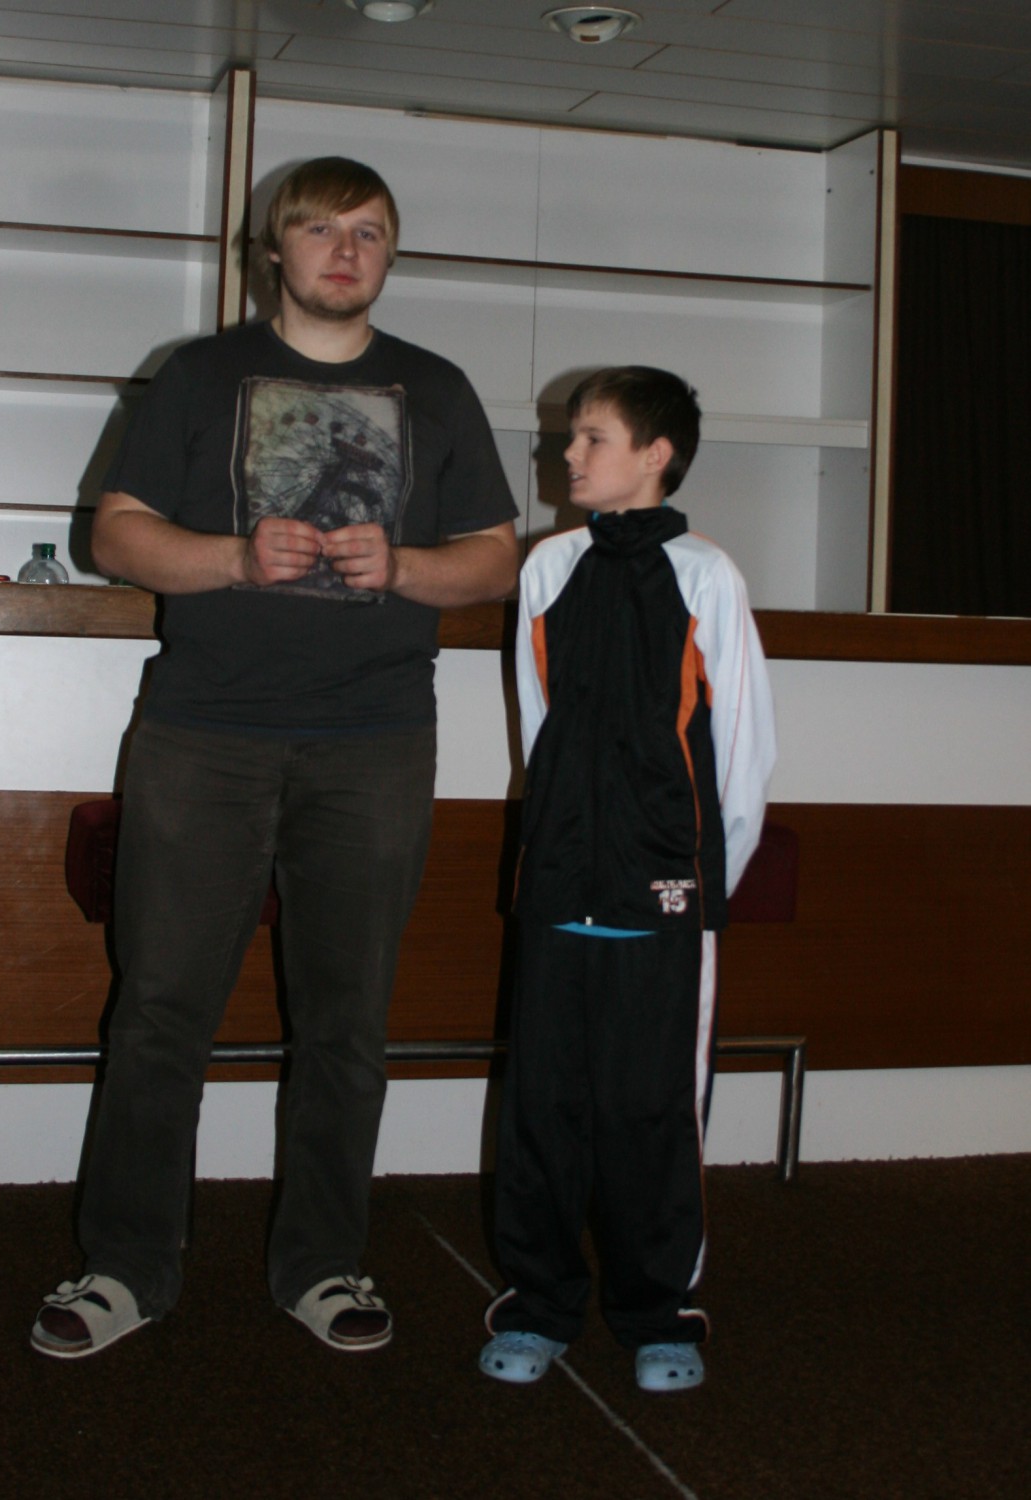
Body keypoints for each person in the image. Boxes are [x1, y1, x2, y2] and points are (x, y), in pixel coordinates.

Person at [31, 157, 519, 1360]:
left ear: (390, 255)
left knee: (347, 1023)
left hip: (377, 740)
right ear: (273, 251)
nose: (343, 251)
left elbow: (496, 555)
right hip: (204, 733)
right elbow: (115, 536)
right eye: (319, 229)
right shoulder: (198, 375)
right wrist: (238, 558)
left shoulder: (437, 388)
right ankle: (123, 1268)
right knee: (159, 1012)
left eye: (368, 232)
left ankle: (323, 1264)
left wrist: (404, 567)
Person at [479, 366, 775, 1392]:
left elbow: (741, 752)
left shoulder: (707, 576)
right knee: (542, 1108)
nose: (566, 454)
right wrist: (555, 845)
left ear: (655, 454)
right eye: (570, 436)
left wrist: (693, 878)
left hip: (663, 897)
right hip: (559, 886)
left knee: (651, 1113)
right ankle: (537, 1305)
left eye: (590, 437)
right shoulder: (547, 566)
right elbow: (539, 723)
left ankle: (659, 1314)